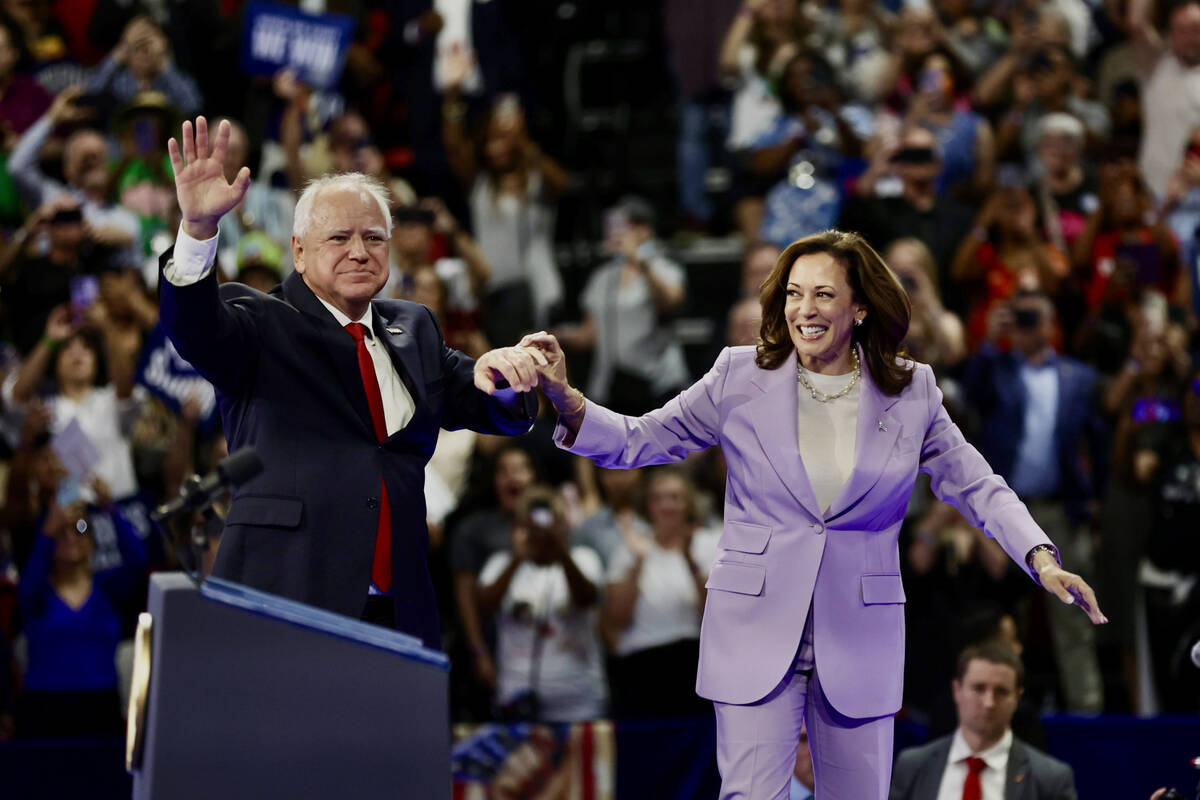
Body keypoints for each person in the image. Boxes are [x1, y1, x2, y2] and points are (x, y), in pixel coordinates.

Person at [520, 229, 1104, 798]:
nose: (805, 309)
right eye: (795, 293)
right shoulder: (739, 375)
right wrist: (569, 400)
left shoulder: (912, 391)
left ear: (860, 307)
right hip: (755, 625)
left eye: (824, 294)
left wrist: (1041, 557)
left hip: (859, 635)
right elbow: (638, 440)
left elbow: (979, 486)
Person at [157, 116, 543, 649]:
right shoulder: (261, 322)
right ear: (297, 251)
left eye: (373, 237)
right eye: (338, 237)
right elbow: (196, 331)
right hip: (288, 598)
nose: (359, 251)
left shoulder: (416, 330)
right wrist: (198, 232)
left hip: (398, 610)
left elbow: (489, 402)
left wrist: (506, 374)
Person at [476, 486, 606, 722]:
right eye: (530, 526)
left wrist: (562, 554)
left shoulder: (584, 559)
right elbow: (485, 606)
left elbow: (587, 599)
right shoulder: (500, 564)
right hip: (516, 699)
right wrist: (518, 558)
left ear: (562, 525)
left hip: (580, 703)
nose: (540, 533)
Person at [889, 643, 1078, 799]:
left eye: (1001, 692)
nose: (989, 703)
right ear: (957, 690)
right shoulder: (912, 765)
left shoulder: (1050, 778)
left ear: (1018, 697)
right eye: (979, 689)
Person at [603, 466, 716, 719]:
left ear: (688, 503)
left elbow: (713, 614)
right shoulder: (630, 547)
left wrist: (689, 559)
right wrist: (638, 562)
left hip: (693, 662)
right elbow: (617, 619)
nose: (667, 505)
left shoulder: (708, 544)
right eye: (658, 498)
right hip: (643, 665)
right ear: (647, 505)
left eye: (675, 497)